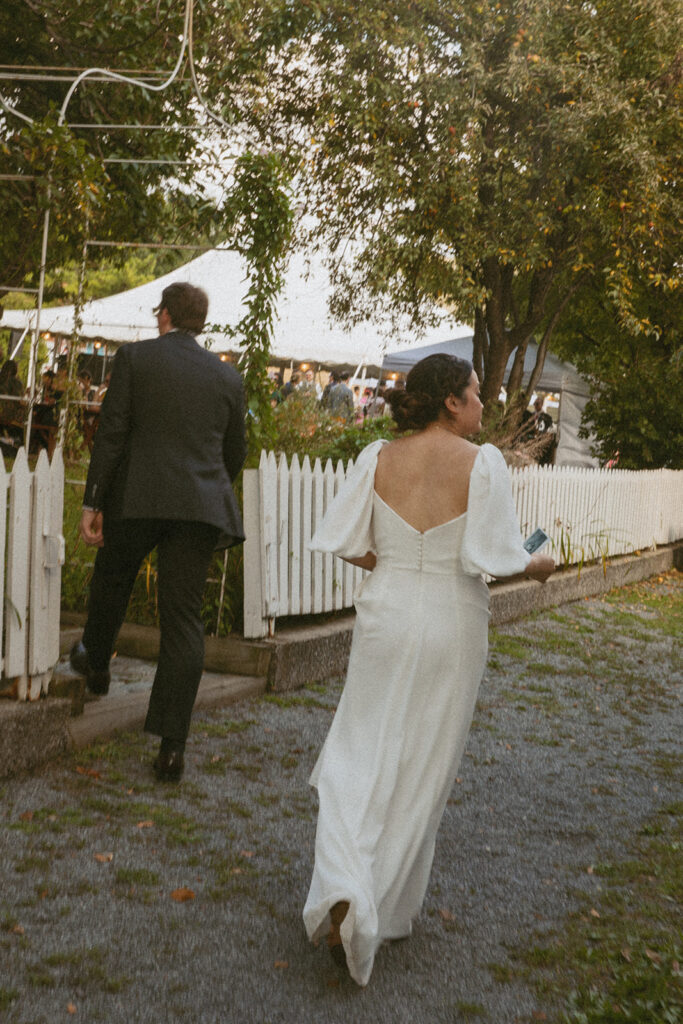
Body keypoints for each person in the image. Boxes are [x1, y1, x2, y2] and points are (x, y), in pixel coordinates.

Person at [302, 353, 554, 985]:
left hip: (386, 614)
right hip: (451, 619)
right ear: (451, 400)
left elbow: (352, 543)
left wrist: (397, 566)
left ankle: (343, 882)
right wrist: (539, 562)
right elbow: (493, 556)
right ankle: (369, 906)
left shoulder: (378, 457)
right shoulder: (482, 463)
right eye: (475, 393)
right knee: (423, 766)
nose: (481, 404)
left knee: (360, 747)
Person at [70, 282, 247, 783]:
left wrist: (94, 500)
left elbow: (113, 432)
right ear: (201, 322)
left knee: (113, 574)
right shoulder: (227, 377)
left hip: (138, 497)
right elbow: (234, 452)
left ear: (164, 314)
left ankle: (97, 662)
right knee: (184, 618)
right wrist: (206, 491)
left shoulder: (135, 359)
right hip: (199, 506)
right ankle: (172, 747)